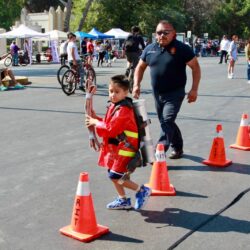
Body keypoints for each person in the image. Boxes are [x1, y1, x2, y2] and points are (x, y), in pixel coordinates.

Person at [133, 20, 201, 159]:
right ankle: (178, 147)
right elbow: (140, 67)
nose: (162, 35)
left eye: (166, 32)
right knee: (166, 121)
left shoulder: (182, 49)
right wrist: (136, 85)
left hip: (175, 92)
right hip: (158, 94)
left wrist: (194, 89)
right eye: (159, 32)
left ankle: (159, 151)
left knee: (167, 120)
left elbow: (195, 67)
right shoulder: (150, 49)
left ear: (173, 33)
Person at [85, 75, 151, 210]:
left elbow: (110, 129)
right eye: (110, 91)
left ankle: (141, 190)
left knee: (115, 175)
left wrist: (96, 122)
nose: (112, 95)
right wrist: (96, 117)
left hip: (125, 148)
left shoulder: (124, 110)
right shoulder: (115, 106)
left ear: (126, 92)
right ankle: (123, 199)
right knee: (113, 173)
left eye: (116, 92)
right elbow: (109, 123)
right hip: (116, 148)